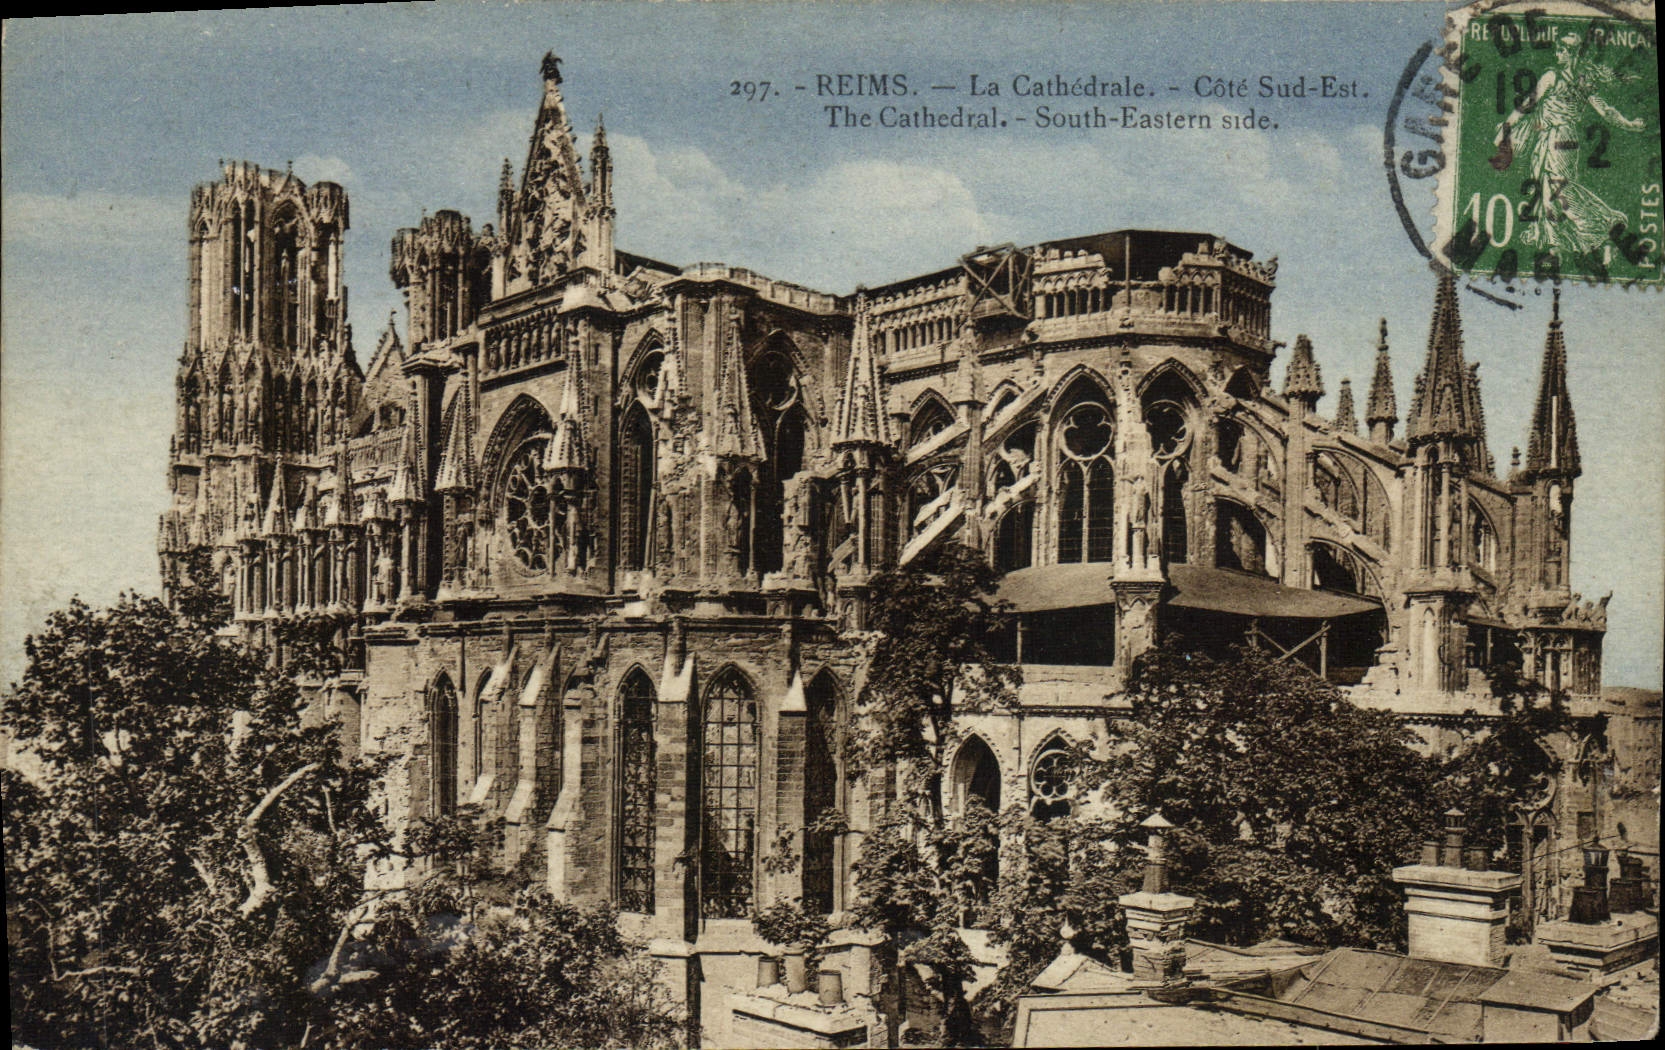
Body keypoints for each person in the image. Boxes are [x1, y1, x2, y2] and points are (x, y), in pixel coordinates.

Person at [1493, 33, 1649, 254]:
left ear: (1572, 53)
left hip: (1557, 137)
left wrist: (1507, 126)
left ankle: (1603, 220)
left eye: (1562, 50)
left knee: (1558, 186)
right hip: (1564, 138)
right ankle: (1552, 240)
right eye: (1557, 50)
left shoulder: (1552, 77)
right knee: (1547, 187)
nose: (1557, 55)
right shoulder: (1583, 82)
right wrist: (1629, 124)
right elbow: (1606, 111)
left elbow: (1528, 103)